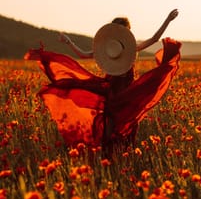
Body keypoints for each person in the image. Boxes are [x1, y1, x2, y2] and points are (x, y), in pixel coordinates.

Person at [24, 9, 181, 158]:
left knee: (126, 128)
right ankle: (107, 158)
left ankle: (119, 158)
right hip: (111, 92)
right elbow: (84, 55)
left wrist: (168, 20)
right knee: (110, 128)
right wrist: (69, 42)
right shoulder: (108, 49)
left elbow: (154, 39)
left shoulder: (132, 49)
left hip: (127, 94)